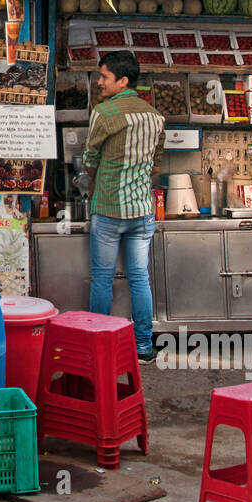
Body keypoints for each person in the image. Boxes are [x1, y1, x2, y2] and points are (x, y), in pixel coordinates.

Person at [81, 50, 165, 362]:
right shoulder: (155, 117)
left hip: (108, 209)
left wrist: (96, 176)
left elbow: (89, 160)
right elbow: (156, 164)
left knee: (102, 279)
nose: (99, 82)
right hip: (142, 210)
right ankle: (143, 347)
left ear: (123, 81)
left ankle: (98, 347)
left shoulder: (103, 114)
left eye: (104, 77)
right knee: (139, 278)